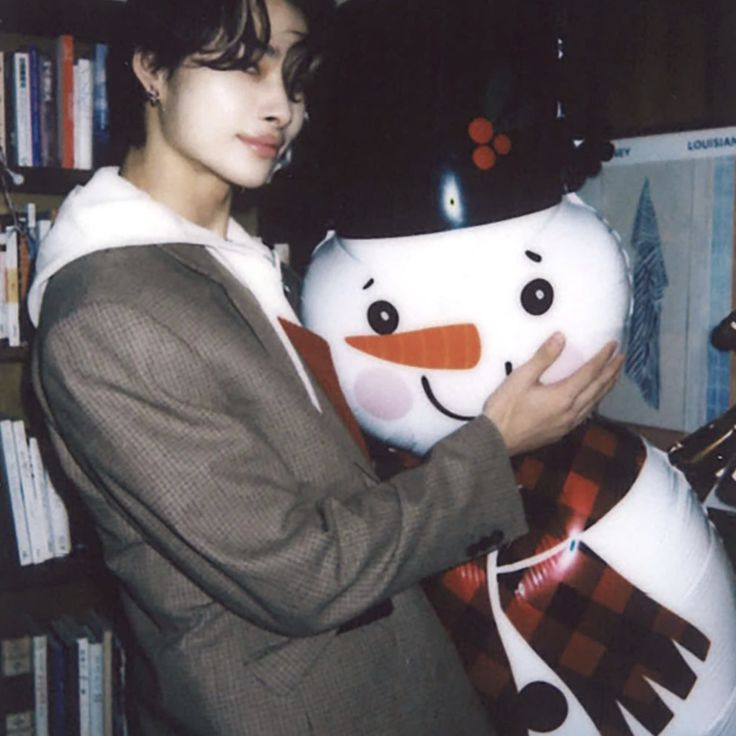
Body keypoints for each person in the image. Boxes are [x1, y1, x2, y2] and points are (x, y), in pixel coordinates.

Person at [26, 0, 624, 732]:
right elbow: (301, 574)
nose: (279, 104)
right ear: (151, 68)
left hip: (390, 674)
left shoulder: (225, 258)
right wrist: (493, 443)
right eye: (245, 65)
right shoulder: (112, 314)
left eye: (296, 75)